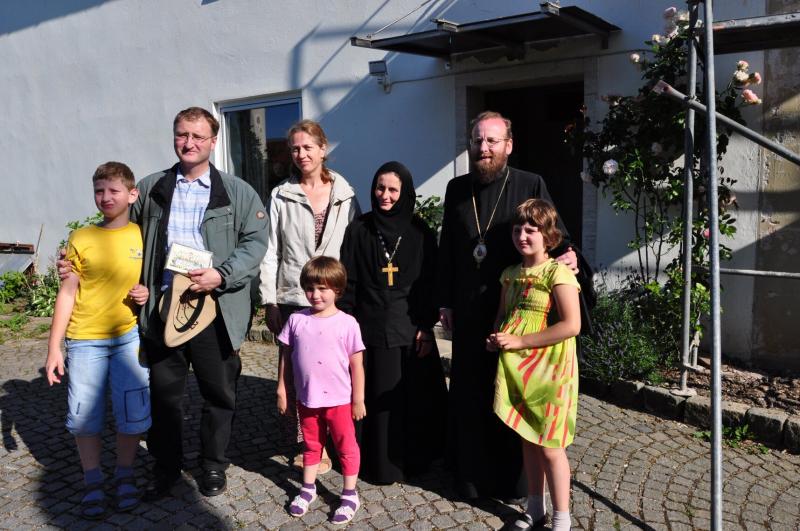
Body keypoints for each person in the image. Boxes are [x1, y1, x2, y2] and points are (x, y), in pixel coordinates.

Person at [437, 110, 580, 501]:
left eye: (491, 141)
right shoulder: (456, 188)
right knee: (471, 393)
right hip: (469, 308)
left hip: (516, 312)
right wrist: (445, 300)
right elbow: (448, 248)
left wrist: (570, 255)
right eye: (477, 141)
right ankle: (470, 478)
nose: (483, 148)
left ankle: (515, 484)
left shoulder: (530, 183)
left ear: (508, 145)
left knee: (514, 392)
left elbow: (554, 234)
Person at [131, 107, 268, 499]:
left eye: (197, 136)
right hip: (164, 307)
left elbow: (255, 242)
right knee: (164, 394)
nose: (188, 143)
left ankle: (212, 465)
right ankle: (166, 466)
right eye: (181, 134)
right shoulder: (152, 187)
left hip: (214, 308)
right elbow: (123, 233)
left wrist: (221, 275)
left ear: (213, 141)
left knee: (219, 393)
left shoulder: (238, 191)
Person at [44, 162, 151, 519]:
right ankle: (93, 479)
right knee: (83, 417)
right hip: (84, 339)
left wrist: (146, 293)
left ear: (132, 195)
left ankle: (124, 475)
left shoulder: (144, 235)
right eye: (99, 191)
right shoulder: (81, 238)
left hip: (128, 338)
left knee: (132, 413)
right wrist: (54, 348)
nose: (105, 197)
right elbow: (67, 292)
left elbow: (155, 280)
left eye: (113, 190)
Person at [259, 119, 360, 471]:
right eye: (295, 149)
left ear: (323, 149)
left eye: (307, 147)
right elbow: (270, 249)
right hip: (293, 294)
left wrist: (351, 295)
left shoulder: (345, 194)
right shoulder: (281, 194)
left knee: (332, 370)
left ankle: (335, 436)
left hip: (333, 297)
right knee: (298, 374)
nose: (301, 154)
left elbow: (354, 247)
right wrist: (270, 299)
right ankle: (309, 444)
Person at [338, 161, 447, 484]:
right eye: (380, 188)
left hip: (410, 327)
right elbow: (348, 281)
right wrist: (345, 324)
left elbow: (430, 283)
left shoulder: (419, 231)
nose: (384, 195)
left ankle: (414, 461)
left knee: (411, 398)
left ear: (405, 193)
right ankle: (377, 463)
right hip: (368, 326)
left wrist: (426, 326)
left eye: (392, 190)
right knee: (374, 396)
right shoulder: (359, 229)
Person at [487, 199, 580, 531]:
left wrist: (521, 341)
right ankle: (536, 508)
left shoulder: (558, 273)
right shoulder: (510, 274)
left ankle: (562, 519)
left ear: (548, 235)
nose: (522, 236)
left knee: (551, 447)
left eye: (531, 230)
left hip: (551, 371)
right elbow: (504, 316)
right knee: (528, 439)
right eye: (517, 230)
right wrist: (496, 337)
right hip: (519, 370)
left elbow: (571, 325)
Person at [277, 257, 366, 525]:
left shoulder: (347, 323)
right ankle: (308, 488)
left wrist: (358, 399)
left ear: (337, 289)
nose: (315, 295)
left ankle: (349, 494)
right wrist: (282, 389)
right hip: (307, 399)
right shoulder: (296, 320)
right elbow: (285, 357)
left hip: (339, 401)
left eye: (323, 288)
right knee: (311, 444)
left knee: (346, 446)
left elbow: (357, 365)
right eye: (310, 288)